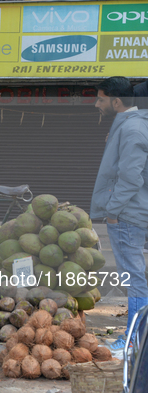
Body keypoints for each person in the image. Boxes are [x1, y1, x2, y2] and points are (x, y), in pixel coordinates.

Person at [90, 76, 148, 355]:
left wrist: (112, 212)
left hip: (126, 214)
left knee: (133, 278)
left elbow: (131, 178)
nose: (96, 103)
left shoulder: (133, 129)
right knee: (132, 276)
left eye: (101, 99)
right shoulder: (129, 126)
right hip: (127, 212)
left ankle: (133, 341)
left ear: (116, 101)